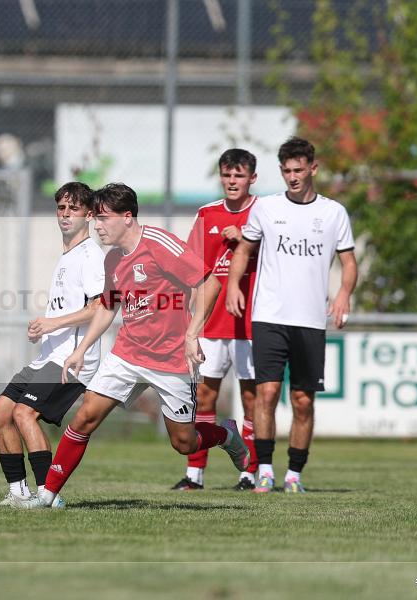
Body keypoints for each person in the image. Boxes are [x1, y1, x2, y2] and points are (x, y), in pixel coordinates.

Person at [36, 183, 250, 508]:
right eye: (96, 219)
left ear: (127, 217)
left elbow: (210, 282)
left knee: (184, 442)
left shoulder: (158, 243)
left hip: (171, 359)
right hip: (127, 354)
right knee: (85, 418)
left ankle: (225, 435)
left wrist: (192, 334)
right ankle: (47, 495)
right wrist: (81, 349)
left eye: (103, 219)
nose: (97, 226)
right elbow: (108, 306)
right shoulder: (112, 260)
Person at [225, 136, 357, 494]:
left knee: (302, 400)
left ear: (313, 169)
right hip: (268, 315)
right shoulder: (266, 208)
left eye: (299, 170)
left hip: (311, 320)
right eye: (286, 171)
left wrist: (343, 294)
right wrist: (235, 285)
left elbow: (348, 263)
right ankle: (265, 470)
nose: (292, 177)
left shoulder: (333, 213)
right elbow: (244, 250)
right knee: (266, 393)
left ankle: (295, 474)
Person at [0, 182, 105, 509]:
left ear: (89, 214)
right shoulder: (67, 255)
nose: (65, 215)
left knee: (25, 414)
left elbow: (100, 306)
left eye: (74, 209)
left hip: (72, 360)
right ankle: (18, 493)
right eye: (61, 208)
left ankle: (47, 495)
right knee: (0, 413)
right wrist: (45, 325)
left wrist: (53, 323)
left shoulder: (91, 254)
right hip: (49, 356)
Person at [173, 149, 261, 492]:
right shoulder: (207, 214)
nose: (232, 181)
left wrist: (245, 241)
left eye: (239, 175)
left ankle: (248, 473)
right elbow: (191, 267)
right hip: (212, 323)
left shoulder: (263, 213)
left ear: (252, 178)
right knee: (204, 397)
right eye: (227, 175)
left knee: (251, 398)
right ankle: (195, 475)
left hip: (251, 322)